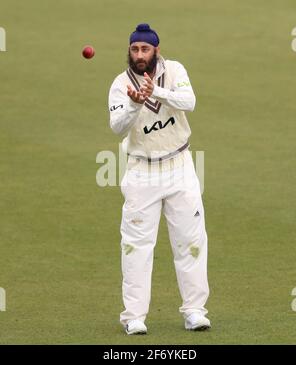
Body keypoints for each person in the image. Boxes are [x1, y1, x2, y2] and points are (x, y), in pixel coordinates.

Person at [108, 23, 210, 335]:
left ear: (156, 50)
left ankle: (194, 311)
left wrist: (157, 92)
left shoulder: (175, 71)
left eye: (145, 49)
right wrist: (135, 104)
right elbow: (116, 127)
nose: (140, 55)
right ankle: (134, 317)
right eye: (135, 49)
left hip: (180, 165)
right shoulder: (120, 84)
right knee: (136, 246)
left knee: (190, 241)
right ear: (129, 51)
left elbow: (189, 101)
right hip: (142, 171)